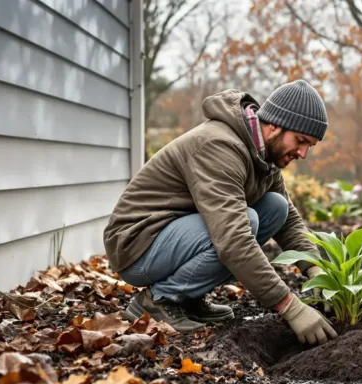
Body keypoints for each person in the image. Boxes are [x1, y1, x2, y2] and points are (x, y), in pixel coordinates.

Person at [103, 80, 338, 345]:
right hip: (137, 245)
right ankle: (158, 301)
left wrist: (316, 271)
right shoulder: (218, 146)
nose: (303, 153)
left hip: (170, 236)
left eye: (310, 146)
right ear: (275, 125)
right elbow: (234, 241)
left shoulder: (263, 156)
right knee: (245, 223)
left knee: (276, 207)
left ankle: (189, 298)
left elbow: (290, 223)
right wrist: (290, 307)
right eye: (301, 141)